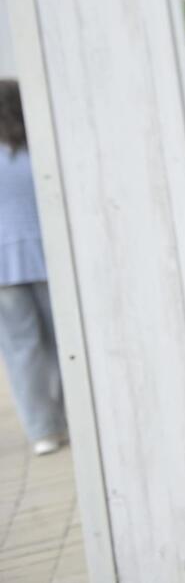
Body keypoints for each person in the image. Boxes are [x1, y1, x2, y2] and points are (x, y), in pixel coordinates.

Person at [0, 80, 68, 456]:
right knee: (64, 342)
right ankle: (73, 415)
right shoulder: (40, 150)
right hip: (48, 255)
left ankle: (43, 431)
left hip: (3, 266)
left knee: (20, 350)